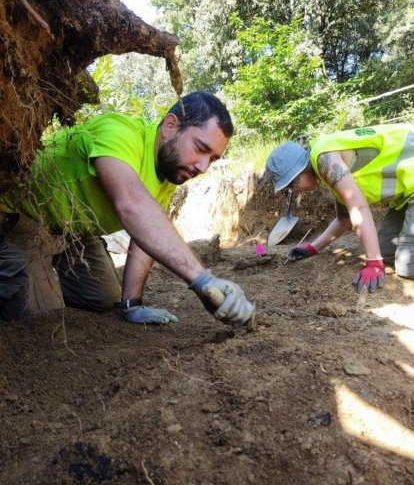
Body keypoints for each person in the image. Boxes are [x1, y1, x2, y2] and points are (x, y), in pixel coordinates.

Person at [0, 91, 254, 325]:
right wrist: (202, 279)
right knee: (42, 321)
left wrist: (132, 305)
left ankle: (43, 272)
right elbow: (131, 204)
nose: (203, 167)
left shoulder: (169, 171)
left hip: (73, 232)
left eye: (212, 159)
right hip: (20, 221)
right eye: (201, 149)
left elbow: (145, 234)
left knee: (102, 300)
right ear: (170, 126)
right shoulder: (118, 131)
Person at [265, 123, 414, 292]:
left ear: (300, 169)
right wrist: (312, 248)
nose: (292, 190)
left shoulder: (325, 160)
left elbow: (358, 208)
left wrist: (373, 263)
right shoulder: (328, 171)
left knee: (407, 266)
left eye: (292, 183)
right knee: (385, 252)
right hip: (407, 194)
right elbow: (344, 219)